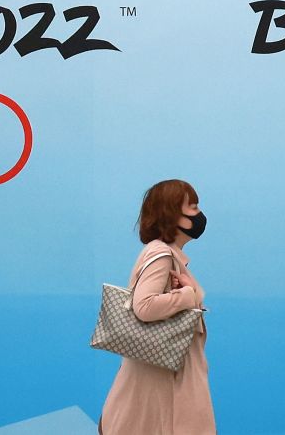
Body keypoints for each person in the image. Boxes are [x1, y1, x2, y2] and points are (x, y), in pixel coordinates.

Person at [100, 179, 214, 434]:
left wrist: (191, 292)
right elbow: (144, 306)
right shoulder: (160, 256)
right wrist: (187, 295)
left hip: (162, 382)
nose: (199, 215)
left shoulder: (167, 255)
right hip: (162, 386)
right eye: (193, 207)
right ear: (172, 214)